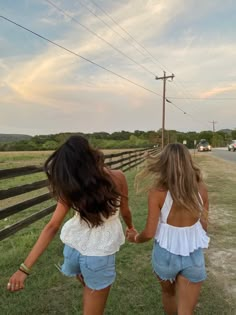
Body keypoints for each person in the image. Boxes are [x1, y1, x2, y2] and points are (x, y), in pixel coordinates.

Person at [7, 135, 135, 315]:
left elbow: (52, 226)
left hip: (73, 250)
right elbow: (126, 211)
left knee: (88, 284)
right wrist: (130, 227)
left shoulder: (73, 186)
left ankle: (87, 279)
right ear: (91, 153)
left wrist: (24, 269)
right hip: (99, 254)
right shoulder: (117, 177)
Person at [127, 143, 210, 315]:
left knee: (168, 293)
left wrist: (134, 238)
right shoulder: (201, 189)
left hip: (165, 255)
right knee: (186, 310)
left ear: (164, 163)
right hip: (192, 254)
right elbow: (203, 226)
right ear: (188, 162)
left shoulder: (157, 192)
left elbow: (149, 233)